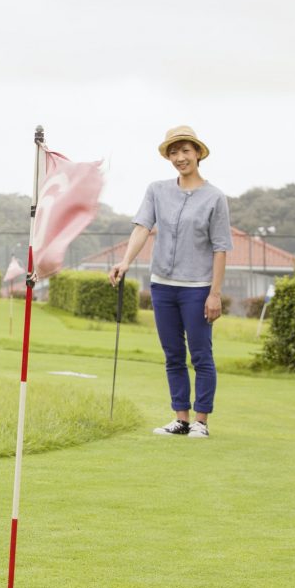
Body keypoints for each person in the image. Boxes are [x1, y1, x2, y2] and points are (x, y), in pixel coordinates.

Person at [108, 126, 232, 439]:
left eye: (185, 151)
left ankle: (201, 422)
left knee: (201, 354)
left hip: (198, 288)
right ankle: (181, 418)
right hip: (162, 285)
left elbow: (220, 248)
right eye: (174, 152)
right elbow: (141, 229)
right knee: (173, 354)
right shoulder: (157, 190)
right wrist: (125, 262)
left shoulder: (215, 198)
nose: (179, 157)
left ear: (198, 154)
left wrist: (215, 294)